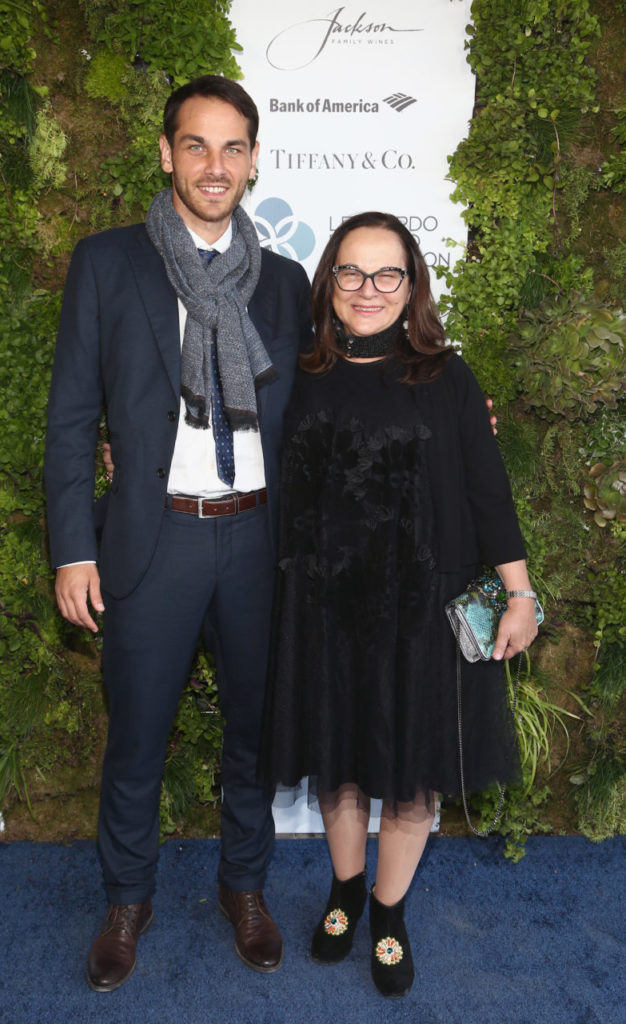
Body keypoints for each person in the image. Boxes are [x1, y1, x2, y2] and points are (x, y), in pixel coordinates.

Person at [44, 75, 311, 990]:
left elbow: (329, 401)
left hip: (258, 543)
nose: (215, 165)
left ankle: (245, 887)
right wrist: (74, 547)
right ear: (166, 154)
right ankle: (128, 899)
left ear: (254, 160)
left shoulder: (284, 283)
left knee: (254, 736)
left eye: (233, 147)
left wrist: (440, 401)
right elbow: (71, 418)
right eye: (196, 145)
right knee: (136, 738)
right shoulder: (108, 263)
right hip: (152, 542)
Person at [260, 211, 539, 997]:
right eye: (351, 271)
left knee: (414, 776)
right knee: (339, 763)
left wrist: (520, 592)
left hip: (420, 611)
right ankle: (346, 888)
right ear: (329, 282)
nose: (368, 289)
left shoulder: (448, 378)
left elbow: (488, 492)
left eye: (388, 273)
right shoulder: (296, 373)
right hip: (323, 609)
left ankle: (388, 910)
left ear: (412, 284)